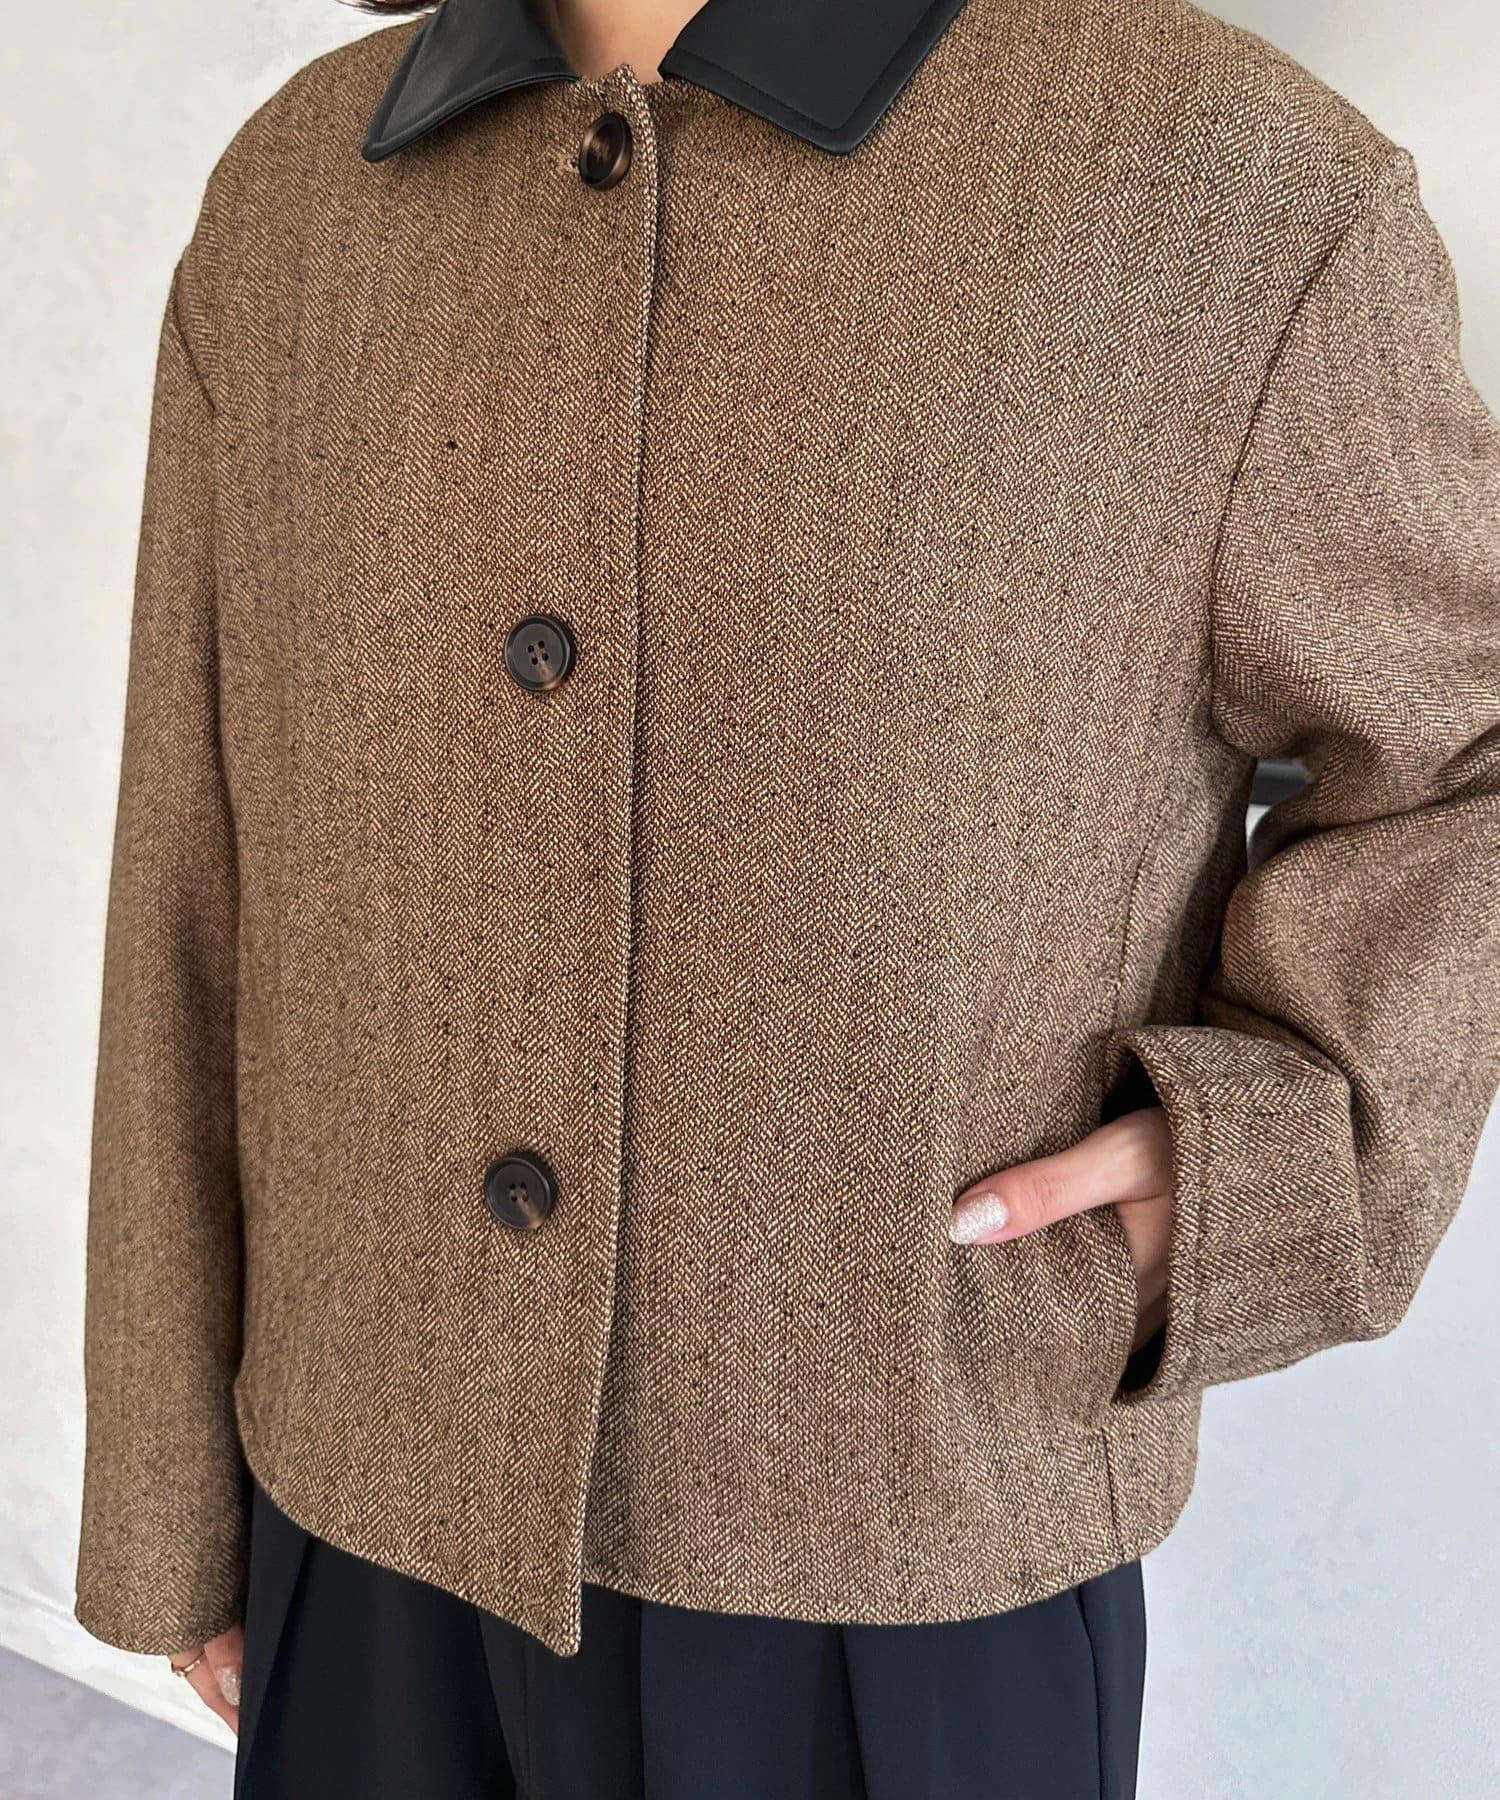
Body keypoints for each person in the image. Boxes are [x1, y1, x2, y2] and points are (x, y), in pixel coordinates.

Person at [75, 0, 1498, 1793]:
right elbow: (194, 863)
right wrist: (171, 1492)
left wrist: (1262, 1174)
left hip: (904, 1544)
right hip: (362, 1511)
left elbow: (1461, 751)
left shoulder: (1220, 183)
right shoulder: (299, 192)